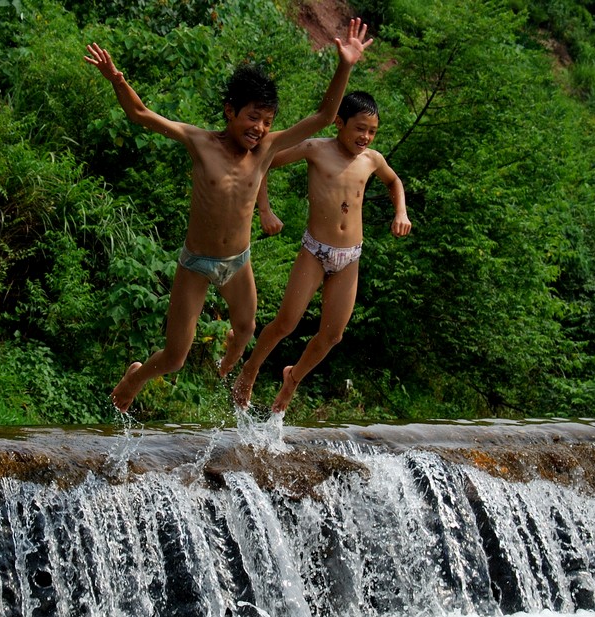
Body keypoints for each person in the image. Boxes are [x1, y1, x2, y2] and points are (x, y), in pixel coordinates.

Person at [84, 20, 373, 413]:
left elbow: (323, 116)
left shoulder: (267, 149)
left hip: (238, 263)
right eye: (253, 118)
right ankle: (135, 377)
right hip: (197, 263)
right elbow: (140, 114)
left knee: (245, 330)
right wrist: (115, 77)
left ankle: (224, 380)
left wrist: (346, 65)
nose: (260, 129)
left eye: (268, 121)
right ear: (230, 111)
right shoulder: (200, 142)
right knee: (174, 356)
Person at [233, 91, 411, 413]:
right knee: (286, 323)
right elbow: (264, 159)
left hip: (350, 257)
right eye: (360, 129)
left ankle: (293, 378)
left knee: (332, 336)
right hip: (315, 252)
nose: (366, 137)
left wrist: (401, 212)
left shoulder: (372, 159)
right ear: (339, 122)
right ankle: (251, 369)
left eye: (372, 131)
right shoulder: (316, 149)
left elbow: (394, 181)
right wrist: (264, 209)